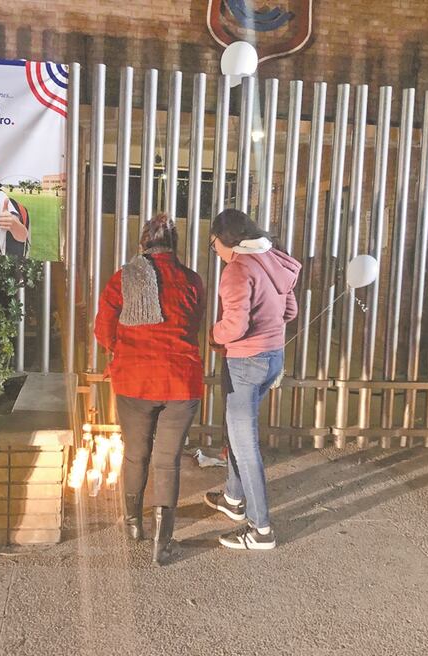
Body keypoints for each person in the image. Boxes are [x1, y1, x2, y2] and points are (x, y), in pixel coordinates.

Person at [94, 214, 205, 565]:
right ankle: (162, 542)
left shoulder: (123, 279)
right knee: (167, 461)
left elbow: (102, 331)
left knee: (135, 454)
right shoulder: (191, 280)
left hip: (134, 381)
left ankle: (132, 525)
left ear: (143, 243)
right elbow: (194, 324)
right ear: (174, 245)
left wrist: (123, 351)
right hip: (181, 381)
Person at [203, 209, 301, 551]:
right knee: (237, 430)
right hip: (273, 358)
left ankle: (261, 530)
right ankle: (233, 497)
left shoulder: (237, 271)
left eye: (213, 243)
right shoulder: (275, 259)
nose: (213, 250)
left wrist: (213, 336)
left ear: (227, 241)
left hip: (246, 363)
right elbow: (290, 312)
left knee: (245, 446)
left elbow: (235, 326)